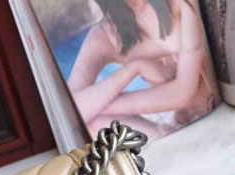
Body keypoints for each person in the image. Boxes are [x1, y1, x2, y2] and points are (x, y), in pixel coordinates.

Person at [68, 0, 215, 139]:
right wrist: (132, 69)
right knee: (95, 124)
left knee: (92, 114)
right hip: (176, 128)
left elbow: (183, 93)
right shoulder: (107, 35)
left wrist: (100, 106)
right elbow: (69, 112)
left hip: (216, 109)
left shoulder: (181, 3)